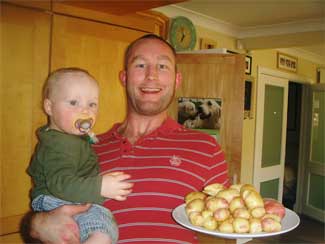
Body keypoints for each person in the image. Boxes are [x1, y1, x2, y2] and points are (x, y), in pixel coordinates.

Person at [30, 34, 229, 244]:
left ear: (176, 80)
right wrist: (37, 225)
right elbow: (48, 198)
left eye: (162, 66)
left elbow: (223, 228)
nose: (151, 75)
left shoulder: (206, 148)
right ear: (124, 78)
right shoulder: (86, 148)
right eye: (141, 65)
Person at [28, 67, 133, 244]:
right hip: (59, 200)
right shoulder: (59, 145)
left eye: (92, 104)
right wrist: (100, 188)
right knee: (101, 232)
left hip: (63, 199)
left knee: (101, 230)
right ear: (49, 107)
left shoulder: (72, 139)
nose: (85, 111)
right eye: (73, 102)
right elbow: (61, 184)